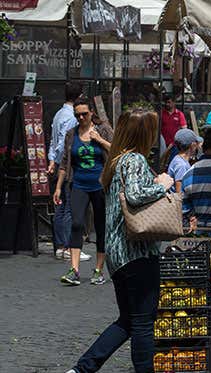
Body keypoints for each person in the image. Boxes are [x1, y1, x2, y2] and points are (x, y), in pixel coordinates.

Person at [64, 109, 174, 373]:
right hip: (136, 252)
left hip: (118, 254)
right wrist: (163, 184)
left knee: (127, 320)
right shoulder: (134, 160)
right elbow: (136, 195)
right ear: (145, 133)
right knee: (143, 322)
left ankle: (83, 368)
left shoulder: (117, 160)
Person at [55, 99, 113, 286]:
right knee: (77, 223)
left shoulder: (102, 130)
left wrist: (100, 140)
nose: (81, 117)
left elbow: (117, 151)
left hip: (100, 186)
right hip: (78, 184)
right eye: (77, 115)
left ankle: (98, 270)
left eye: (84, 114)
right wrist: (58, 187)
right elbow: (65, 162)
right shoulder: (72, 134)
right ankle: (74, 270)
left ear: (92, 113)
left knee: (100, 226)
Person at [49, 82, 86, 261]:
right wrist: (63, 162)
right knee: (69, 208)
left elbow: (53, 141)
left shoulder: (58, 114)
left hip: (59, 165)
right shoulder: (71, 117)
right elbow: (64, 144)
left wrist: (52, 161)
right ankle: (67, 248)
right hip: (68, 167)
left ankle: (60, 246)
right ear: (79, 97)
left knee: (61, 207)